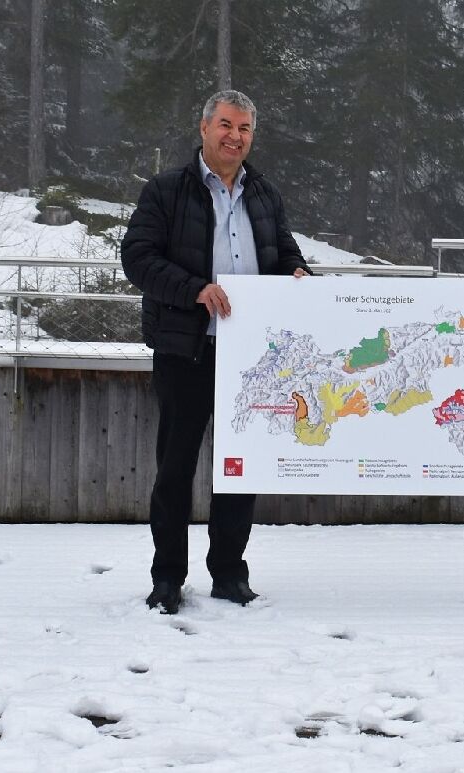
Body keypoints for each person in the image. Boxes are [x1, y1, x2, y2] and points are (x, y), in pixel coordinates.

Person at [119, 89, 311, 614]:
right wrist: (195, 289)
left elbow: (286, 253)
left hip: (252, 361)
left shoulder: (264, 195)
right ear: (204, 128)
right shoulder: (165, 191)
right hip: (187, 352)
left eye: (245, 128)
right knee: (175, 471)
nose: (235, 136)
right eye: (226, 124)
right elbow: (136, 257)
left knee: (240, 472)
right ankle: (167, 580)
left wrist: (297, 274)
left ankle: (229, 574)